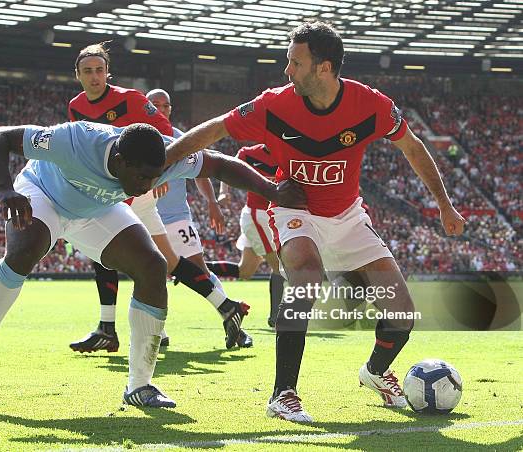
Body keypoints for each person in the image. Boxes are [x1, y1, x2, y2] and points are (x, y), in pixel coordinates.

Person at [165, 21, 466, 422]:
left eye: (295, 62)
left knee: (401, 313)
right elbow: (217, 129)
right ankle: (282, 394)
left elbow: (412, 147)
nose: (287, 70)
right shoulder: (273, 104)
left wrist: (444, 205)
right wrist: (162, 162)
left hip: (347, 215)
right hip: (295, 209)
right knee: (305, 275)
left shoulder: (371, 105)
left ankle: (374, 373)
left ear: (324, 68)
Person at [0, 121, 304, 409]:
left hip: (96, 208)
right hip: (45, 194)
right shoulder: (76, 140)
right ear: (118, 160)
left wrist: (272, 191)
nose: (148, 186)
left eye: (154, 177)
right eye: (141, 179)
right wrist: (3, 189)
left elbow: (221, 165)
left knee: (153, 266)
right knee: (25, 251)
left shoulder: (166, 155)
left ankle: (140, 386)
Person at [67, 42, 173, 354]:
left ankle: (120, 329)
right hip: (103, 186)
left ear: (107, 72)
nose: (95, 76)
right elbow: (81, 145)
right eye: (88, 71)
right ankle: (111, 329)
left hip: (132, 187)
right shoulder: (75, 106)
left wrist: (158, 173)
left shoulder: (131, 100)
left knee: (131, 256)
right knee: (114, 255)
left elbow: (165, 130)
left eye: (99, 70)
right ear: (78, 75)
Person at [147, 88, 253, 348]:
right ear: (145, 107)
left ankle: (233, 323)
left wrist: (212, 203)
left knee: (199, 270)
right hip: (144, 216)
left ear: (170, 110)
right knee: (148, 273)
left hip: (176, 217)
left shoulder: (181, 139)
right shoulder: (134, 137)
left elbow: (201, 171)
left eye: (165, 105)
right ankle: (156, 334)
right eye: (154, 105)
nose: (160, 109)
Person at [206, 144, 285, 328]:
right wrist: (224, 192)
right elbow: (227, 168)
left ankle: (193, 268)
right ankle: (275, 318)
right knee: (278, 265)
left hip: (268, 215)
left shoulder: (288, 153)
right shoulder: (248, 154)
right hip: (258, 215)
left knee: (245, 271)